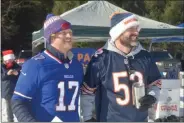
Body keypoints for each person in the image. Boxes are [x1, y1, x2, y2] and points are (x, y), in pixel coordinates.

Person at [81, 12, 162, 122]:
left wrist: (152, 96)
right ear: (118, 32)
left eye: (137, 28)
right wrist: (88, 118)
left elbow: (156, 83)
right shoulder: (101, 58)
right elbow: (88, 91)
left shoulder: (145, 56)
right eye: (131, 29)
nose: (136, 32)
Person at [11, 14, 84, 122]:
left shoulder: (76, 65)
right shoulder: (35, 65)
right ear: (52, 37)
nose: (69, 36)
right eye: (64, 33)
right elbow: (18, 101)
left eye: (70, 33)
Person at [1, 50, 21, 122]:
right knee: (8, 109)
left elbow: (22, 75)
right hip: (6, 91)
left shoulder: (17, 66)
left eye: (11, 59)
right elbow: (1, 77)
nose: (10, 61)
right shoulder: (2, 67)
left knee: (18, 107)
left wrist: (17, 73)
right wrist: (7, 74)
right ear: (5, 60)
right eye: (8, 60)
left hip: (16, 90)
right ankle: (10, 120)